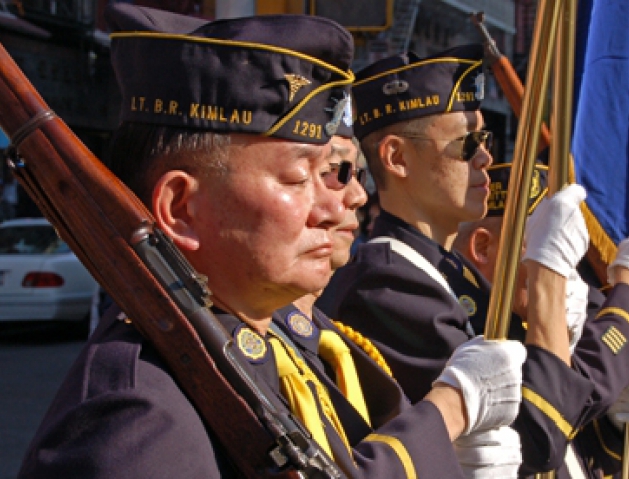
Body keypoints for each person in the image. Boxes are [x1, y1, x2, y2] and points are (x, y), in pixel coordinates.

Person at [17, 6, 527, 478]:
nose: (338, 203)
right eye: (297, 178)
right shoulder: (137, 421)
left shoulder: (276, 341)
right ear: (181, 210)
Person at [317, 46, 629, 476]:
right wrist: (554, 277)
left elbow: (570, 390)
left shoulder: (450, 273)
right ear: (397, 158)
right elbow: (536, 429)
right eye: (467, 144)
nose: (485, 157)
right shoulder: (386, 286)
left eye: (484, 140)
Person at [453, 163, 629, 478]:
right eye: (540, 247)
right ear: (483, 248)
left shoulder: (544, 310)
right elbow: (540, 438)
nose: (561, 271)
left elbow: (577, 455)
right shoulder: (468, 335)